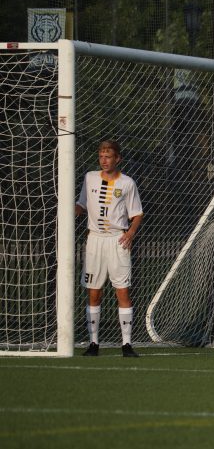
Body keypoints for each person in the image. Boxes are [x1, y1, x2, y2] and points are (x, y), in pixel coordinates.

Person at [76, 140, 144, 358]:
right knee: (94, 293)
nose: (104, 160)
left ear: (117, 159)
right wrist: (68, 212)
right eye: (101, 156)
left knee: (122, 291)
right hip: (95, 241)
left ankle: (126, 344)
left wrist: (130, 233)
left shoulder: (127, 183)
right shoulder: (89, 178)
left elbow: (137, 213)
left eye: (108, 156)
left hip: (117, 240)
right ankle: (93, 343)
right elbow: (81, 205)